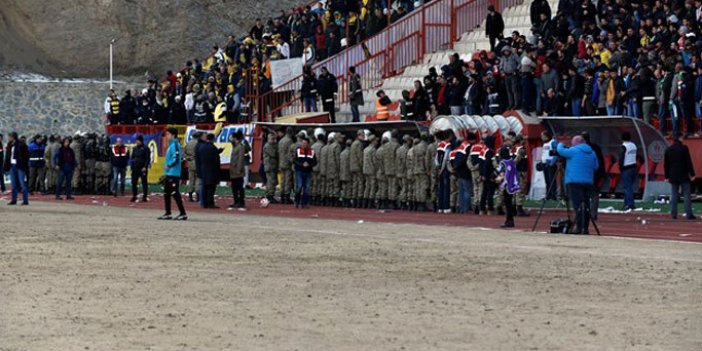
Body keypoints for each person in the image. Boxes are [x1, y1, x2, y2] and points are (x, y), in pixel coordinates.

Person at [556, 135, 599, 235]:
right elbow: (596, 167)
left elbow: (560, 150)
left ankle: (579, 227)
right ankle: (585, 227)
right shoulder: (592, 153)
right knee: (586, 204)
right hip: (588, 181)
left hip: (574, 181)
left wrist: (561, 144)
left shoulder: (573, 151)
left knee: (578, 205)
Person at [664, 133, 696, 220]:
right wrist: (692, 174)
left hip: (673, 175)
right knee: (686, 194)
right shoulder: (684, 149)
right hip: (683, 174)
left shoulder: (669, 149)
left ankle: (674, 214)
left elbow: (666, 164)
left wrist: (666, 175)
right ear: (680, 138)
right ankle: (688, 213)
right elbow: (688, 162)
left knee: (674, 194)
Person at [160, 128, 187, 220]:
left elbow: (176, 158)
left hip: (174, 173)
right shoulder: (171, 145)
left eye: (168, 134)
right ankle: (168, 213)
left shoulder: (175, 145)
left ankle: (183, 213)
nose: (166, 136)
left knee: (175, 193)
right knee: (166, 193)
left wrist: (169, 165)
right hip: (169, 173)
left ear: (173, 135)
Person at [496, 146, 521, 228]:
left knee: (507, 203)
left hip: (506, 184)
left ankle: (509, 220)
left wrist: (495, 178)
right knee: (510, 202)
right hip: (513, 183)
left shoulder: (503, 162)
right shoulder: (511, 161)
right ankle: (510, 220)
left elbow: (500, 172)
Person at [582, 132, 604, 220]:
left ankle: (584, 213)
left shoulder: (579, 149)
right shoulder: (596, 148)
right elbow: (600, 161)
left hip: (585, 174)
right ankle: (593, 214)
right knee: (594, 194)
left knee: (584, 194)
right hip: (595, 174)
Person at [449, 133, 473, 214]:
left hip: (458, 172)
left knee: (461, 191)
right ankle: (466, 209)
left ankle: (461, 209)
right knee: (467, 191)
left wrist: (455, 167)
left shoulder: (461, 147)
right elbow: (466, 160)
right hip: (465, 171)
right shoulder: (468, 147)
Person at [4, 132, 29, 205]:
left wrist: (23, 164)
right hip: (12, 166)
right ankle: (13, 200)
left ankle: (25, 200)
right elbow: (8, 156)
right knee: (13, 184)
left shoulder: (21, 145)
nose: (8, 138)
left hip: (19, 166)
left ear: (13, 137)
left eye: (9, 137)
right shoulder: (9, 145)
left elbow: (25, 155)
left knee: (22, 184)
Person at [197, 134, 221, 209]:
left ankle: (204, 202)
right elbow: (216, 160)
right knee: (211, 188)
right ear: (213, 139)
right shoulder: (213, 148)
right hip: (212, 170)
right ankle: (210, 202)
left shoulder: (202, 147)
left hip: (204, 169)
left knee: (204, 187)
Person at [293, 137, 317, 208]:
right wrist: (301, 164)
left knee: (307, 188)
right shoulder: (298, 150)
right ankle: (297, 201)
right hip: (299, 171)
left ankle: (304, 203)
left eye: (305, 143)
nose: (304, 144)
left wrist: (309, 165)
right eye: (303, 143)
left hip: (308, 171)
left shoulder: (312, 152)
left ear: (308, 144)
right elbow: (294, 160)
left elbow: (315, 161)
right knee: (299, 187)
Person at [619, 132, 638, 211]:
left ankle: (629, 204)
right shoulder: (634, 145)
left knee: (627, 188)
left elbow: (621, 158)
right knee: (630, 187)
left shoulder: (624, 146)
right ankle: (627, 203)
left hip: (626, 168)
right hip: (633, 166)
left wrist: (620, 167)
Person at [130, 135, 151, 202]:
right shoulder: (134, 148)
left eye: (138, 140)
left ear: (141, 141)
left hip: (142, 168)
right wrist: (132, 167)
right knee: (134, 183)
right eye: (136, 140)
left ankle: (144, 196)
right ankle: (134, 196)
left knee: (144, 182)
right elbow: (132, 158)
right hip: (135, 168)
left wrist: (145, 166)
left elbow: (148, 158)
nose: (137, 142)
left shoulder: (145, 148)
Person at [277, 128, 295, 204]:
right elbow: (290, 153)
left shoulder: (281, 141)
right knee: (287, 180)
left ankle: (282, 196)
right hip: (287, 163)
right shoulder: (289, 141)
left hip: (281, 162)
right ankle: (287, 197)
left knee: (282, 180)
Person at [229, 132, 246, 209]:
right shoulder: (235, 146)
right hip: (233, 170)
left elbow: (240, 159)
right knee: (234, 187)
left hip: (237, 170)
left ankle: (240, 201)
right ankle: (236, 201)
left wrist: (239, 169)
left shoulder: (240, 147)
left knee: (239, 187)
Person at [540, 131, 558, 200]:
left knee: (552, 180)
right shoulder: (545, 143)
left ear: (546, 136)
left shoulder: (553, 142)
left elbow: (556, 152)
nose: (541, 137)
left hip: (550, 164)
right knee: (547, 180)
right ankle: (548, 195)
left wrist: (552, 162)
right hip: (545, 164)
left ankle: (553, 196)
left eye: (542, 136)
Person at [184, 131, 202, 202]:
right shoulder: (199, 144)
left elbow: (184, 153)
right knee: (198, 179)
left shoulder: (188, 143)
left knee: (191, 180)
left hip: (190, 163)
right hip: (198, 163)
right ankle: (198, 196)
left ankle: (190, 196)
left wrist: (188, 158)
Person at [363, 135, 379, 209]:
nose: (377, 142)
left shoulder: (365, 149)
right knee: (372, 187)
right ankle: (370, 202)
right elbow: (375, 161)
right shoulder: (373, 150)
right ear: (373, 141)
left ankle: (365, 202)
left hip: (365, 170)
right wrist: (377, 169)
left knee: (367, 186)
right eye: (376, 141)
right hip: (371, 170)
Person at [263, 133, 279, 203]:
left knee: (271, 181)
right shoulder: (268, 146)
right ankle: (270, 195)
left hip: (272, 165)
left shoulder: (270, 145)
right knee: (271, 181)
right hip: (270, 166)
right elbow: (273, 154)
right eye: (272, 139)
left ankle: (268, 194)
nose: (273, 140)